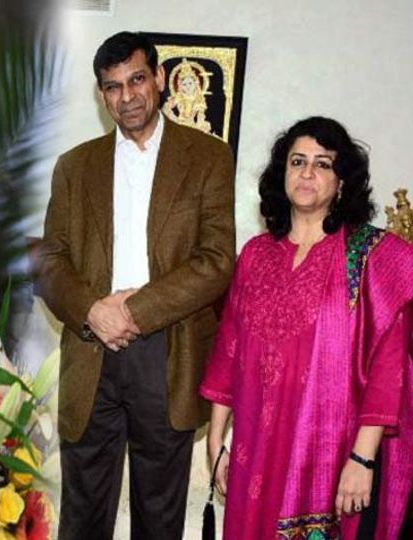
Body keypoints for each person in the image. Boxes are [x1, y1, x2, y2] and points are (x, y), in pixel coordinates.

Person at [39, 31, 235, 539]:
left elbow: (216, 261)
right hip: (92, 353)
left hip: (168, 353)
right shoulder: (74, 166)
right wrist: (94, 311)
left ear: (160, 78)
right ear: (101, 94)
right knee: (82, 516)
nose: (127, 96)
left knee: (159, 517)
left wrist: (134, 311)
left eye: (137, 80)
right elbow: (51, 262)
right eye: (113, 86)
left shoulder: (207, 157)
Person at [200, 116, 413, 539]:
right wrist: (215, 439)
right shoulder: (255, 255)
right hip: (254, 450)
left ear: (342, 181)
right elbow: (229, 347)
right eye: (297, 161)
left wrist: (363, 459)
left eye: (322, 163)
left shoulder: (370, 256)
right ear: (282, 174)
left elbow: (389, 367)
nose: (307, 172)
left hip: (333, 453)